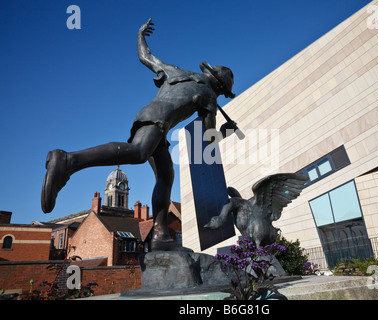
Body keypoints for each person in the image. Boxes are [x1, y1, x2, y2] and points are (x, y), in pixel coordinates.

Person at [41, 18, 237, 251]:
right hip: (159, 120)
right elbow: (207, 140)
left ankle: (160, 233)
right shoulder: (209, 97)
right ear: (220, 88)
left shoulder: (176, 72)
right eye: (224, 93)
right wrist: (225, 132)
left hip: (149, 117)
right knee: (138, 153)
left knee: (166, 175)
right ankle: (68, 160)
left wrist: (140, 34)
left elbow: (145, 57)